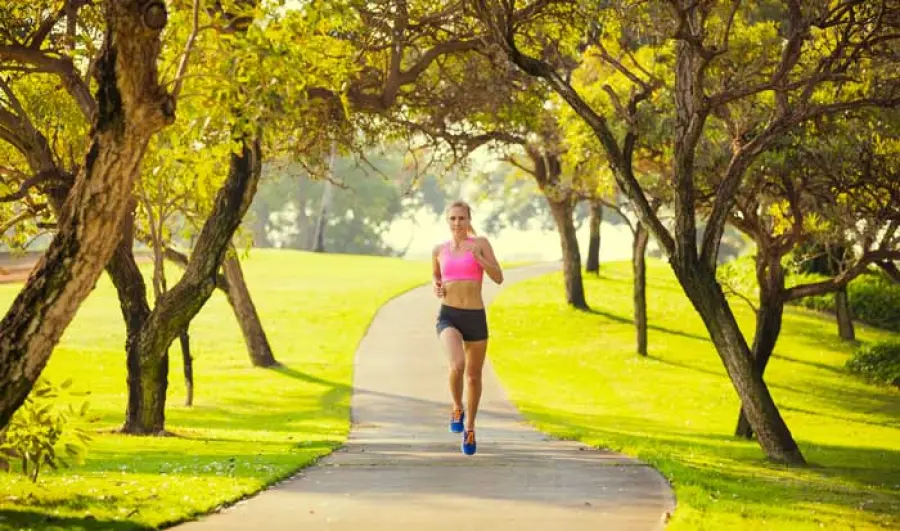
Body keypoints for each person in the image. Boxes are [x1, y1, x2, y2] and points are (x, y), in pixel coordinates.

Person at [432, 200, 504, 455]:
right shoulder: (439, 249)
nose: (457, 223)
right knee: (457, 365)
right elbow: (437, 277)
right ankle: (456, 407)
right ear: (447, 221)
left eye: (462, 218)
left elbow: (498, 276)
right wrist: (436, 286)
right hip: (448, 315)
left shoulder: (480, 244)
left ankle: (470, 427)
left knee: (473, 376)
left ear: (469, 220)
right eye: (453, 219)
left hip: (475, 317)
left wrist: (480, 260)